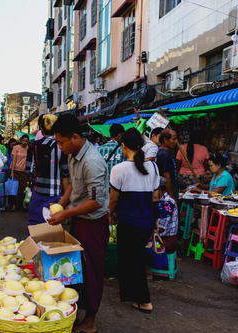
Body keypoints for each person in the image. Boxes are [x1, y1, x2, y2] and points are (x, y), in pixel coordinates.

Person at [48, 114, 109, 333]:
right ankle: (76, 312)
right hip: (78, 219)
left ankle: (90, 320)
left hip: (93, 223)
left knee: (92, 270)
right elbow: (74, 186)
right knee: (76, 269)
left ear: (75, 137)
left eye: (61, 142)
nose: (60, 146)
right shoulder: (73, 155)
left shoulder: (92, 161)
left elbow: (96, 201)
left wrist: (65, 214)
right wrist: (61, 204)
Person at [109, 128, 160, 314]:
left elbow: (113, 199)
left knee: (131, 260)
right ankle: (134, 296)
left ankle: (144, 300)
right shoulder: (153, 167)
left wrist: (109, 213)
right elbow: (155, 197)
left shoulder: (119, 169)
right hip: (145, 220)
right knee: (136, 258)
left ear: (123, 147)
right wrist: (155, 220)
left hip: (128, 221)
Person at [26, 114, 69, 225]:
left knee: (36, 228)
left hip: (37, 194)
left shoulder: (33, 145)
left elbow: (29, 171)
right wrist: (65, 199)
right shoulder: (61, 146)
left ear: (41, 128)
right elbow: (66, 173)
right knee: (52, 229)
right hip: (55, 196)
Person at [156, 177, 178, 254]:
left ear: (160, 190)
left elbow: (161, 228)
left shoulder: (167, 203)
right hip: (160, 237)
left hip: (166, 240)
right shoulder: (160, 200)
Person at [9, 134, 30, 211]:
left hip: (24, 172)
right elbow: (13, 160)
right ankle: (14, 206)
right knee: (15, 189)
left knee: (23, 189)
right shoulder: (16, 148)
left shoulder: (29, 148)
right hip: (16, 171)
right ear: (21, 140)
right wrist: (12, 172)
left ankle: (21, 206)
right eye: (23, 140)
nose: (25, 142)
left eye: (26, 141)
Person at [156, 128, 178, 199]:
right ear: (165, 140)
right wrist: (171, 196)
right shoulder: (164, 154)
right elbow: (167, 176)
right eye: (173, 139)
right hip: (166, 192)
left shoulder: (166, 153)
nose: (176, 141)